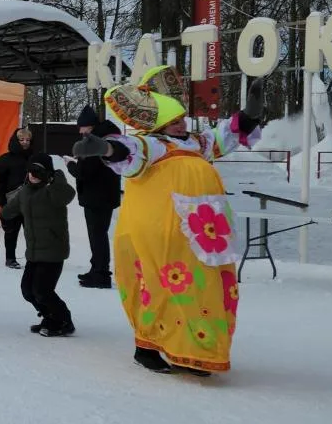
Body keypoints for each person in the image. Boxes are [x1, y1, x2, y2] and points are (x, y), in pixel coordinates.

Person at [71, 65, 264, 376]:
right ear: (160, 123)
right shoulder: (154, 145)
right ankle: (147, 347)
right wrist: (105, 147)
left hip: (202, 234)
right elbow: (129, 151)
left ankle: (193, 352)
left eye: (182, 119)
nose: (181, 124)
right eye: (174, 121)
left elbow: (224, 136)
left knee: (204, 290)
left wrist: (249, 115)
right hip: (162, 230)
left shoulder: (198, 143)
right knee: (163, 288)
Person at [1, 154, 77, 337]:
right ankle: (49, 316)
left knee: (42, 290)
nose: (33, 175)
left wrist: (57, 176)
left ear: (47, 173)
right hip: (34, 252)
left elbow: (67, 194)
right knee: (28, 290)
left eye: (38, 171)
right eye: (30, 171)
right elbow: (8, 210)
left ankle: (63, 321)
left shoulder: (52, 191)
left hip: (53, 250)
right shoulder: (25, 192)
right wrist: (5, 214)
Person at [64, 105, 122, 289]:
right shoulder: (108, 137)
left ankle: (100, 274)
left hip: (96, 197)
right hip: (105, 195)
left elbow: (84, 173)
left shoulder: (94, 143)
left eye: (82, 127)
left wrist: (70, 165)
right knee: (99, 235)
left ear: (90, 126)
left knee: (97, 237)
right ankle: (97, 269)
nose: (80, 131)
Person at [0, 127, 33, 269]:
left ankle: (34, 258)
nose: (25, 142)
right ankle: (10, 258)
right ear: (16, 140)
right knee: (11, 232)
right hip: (12, 202)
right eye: (21, 139)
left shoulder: (35, 158)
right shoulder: (5, 159)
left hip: (32, 202)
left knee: (33, 232)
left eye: (28, 140)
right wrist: (1, 200)